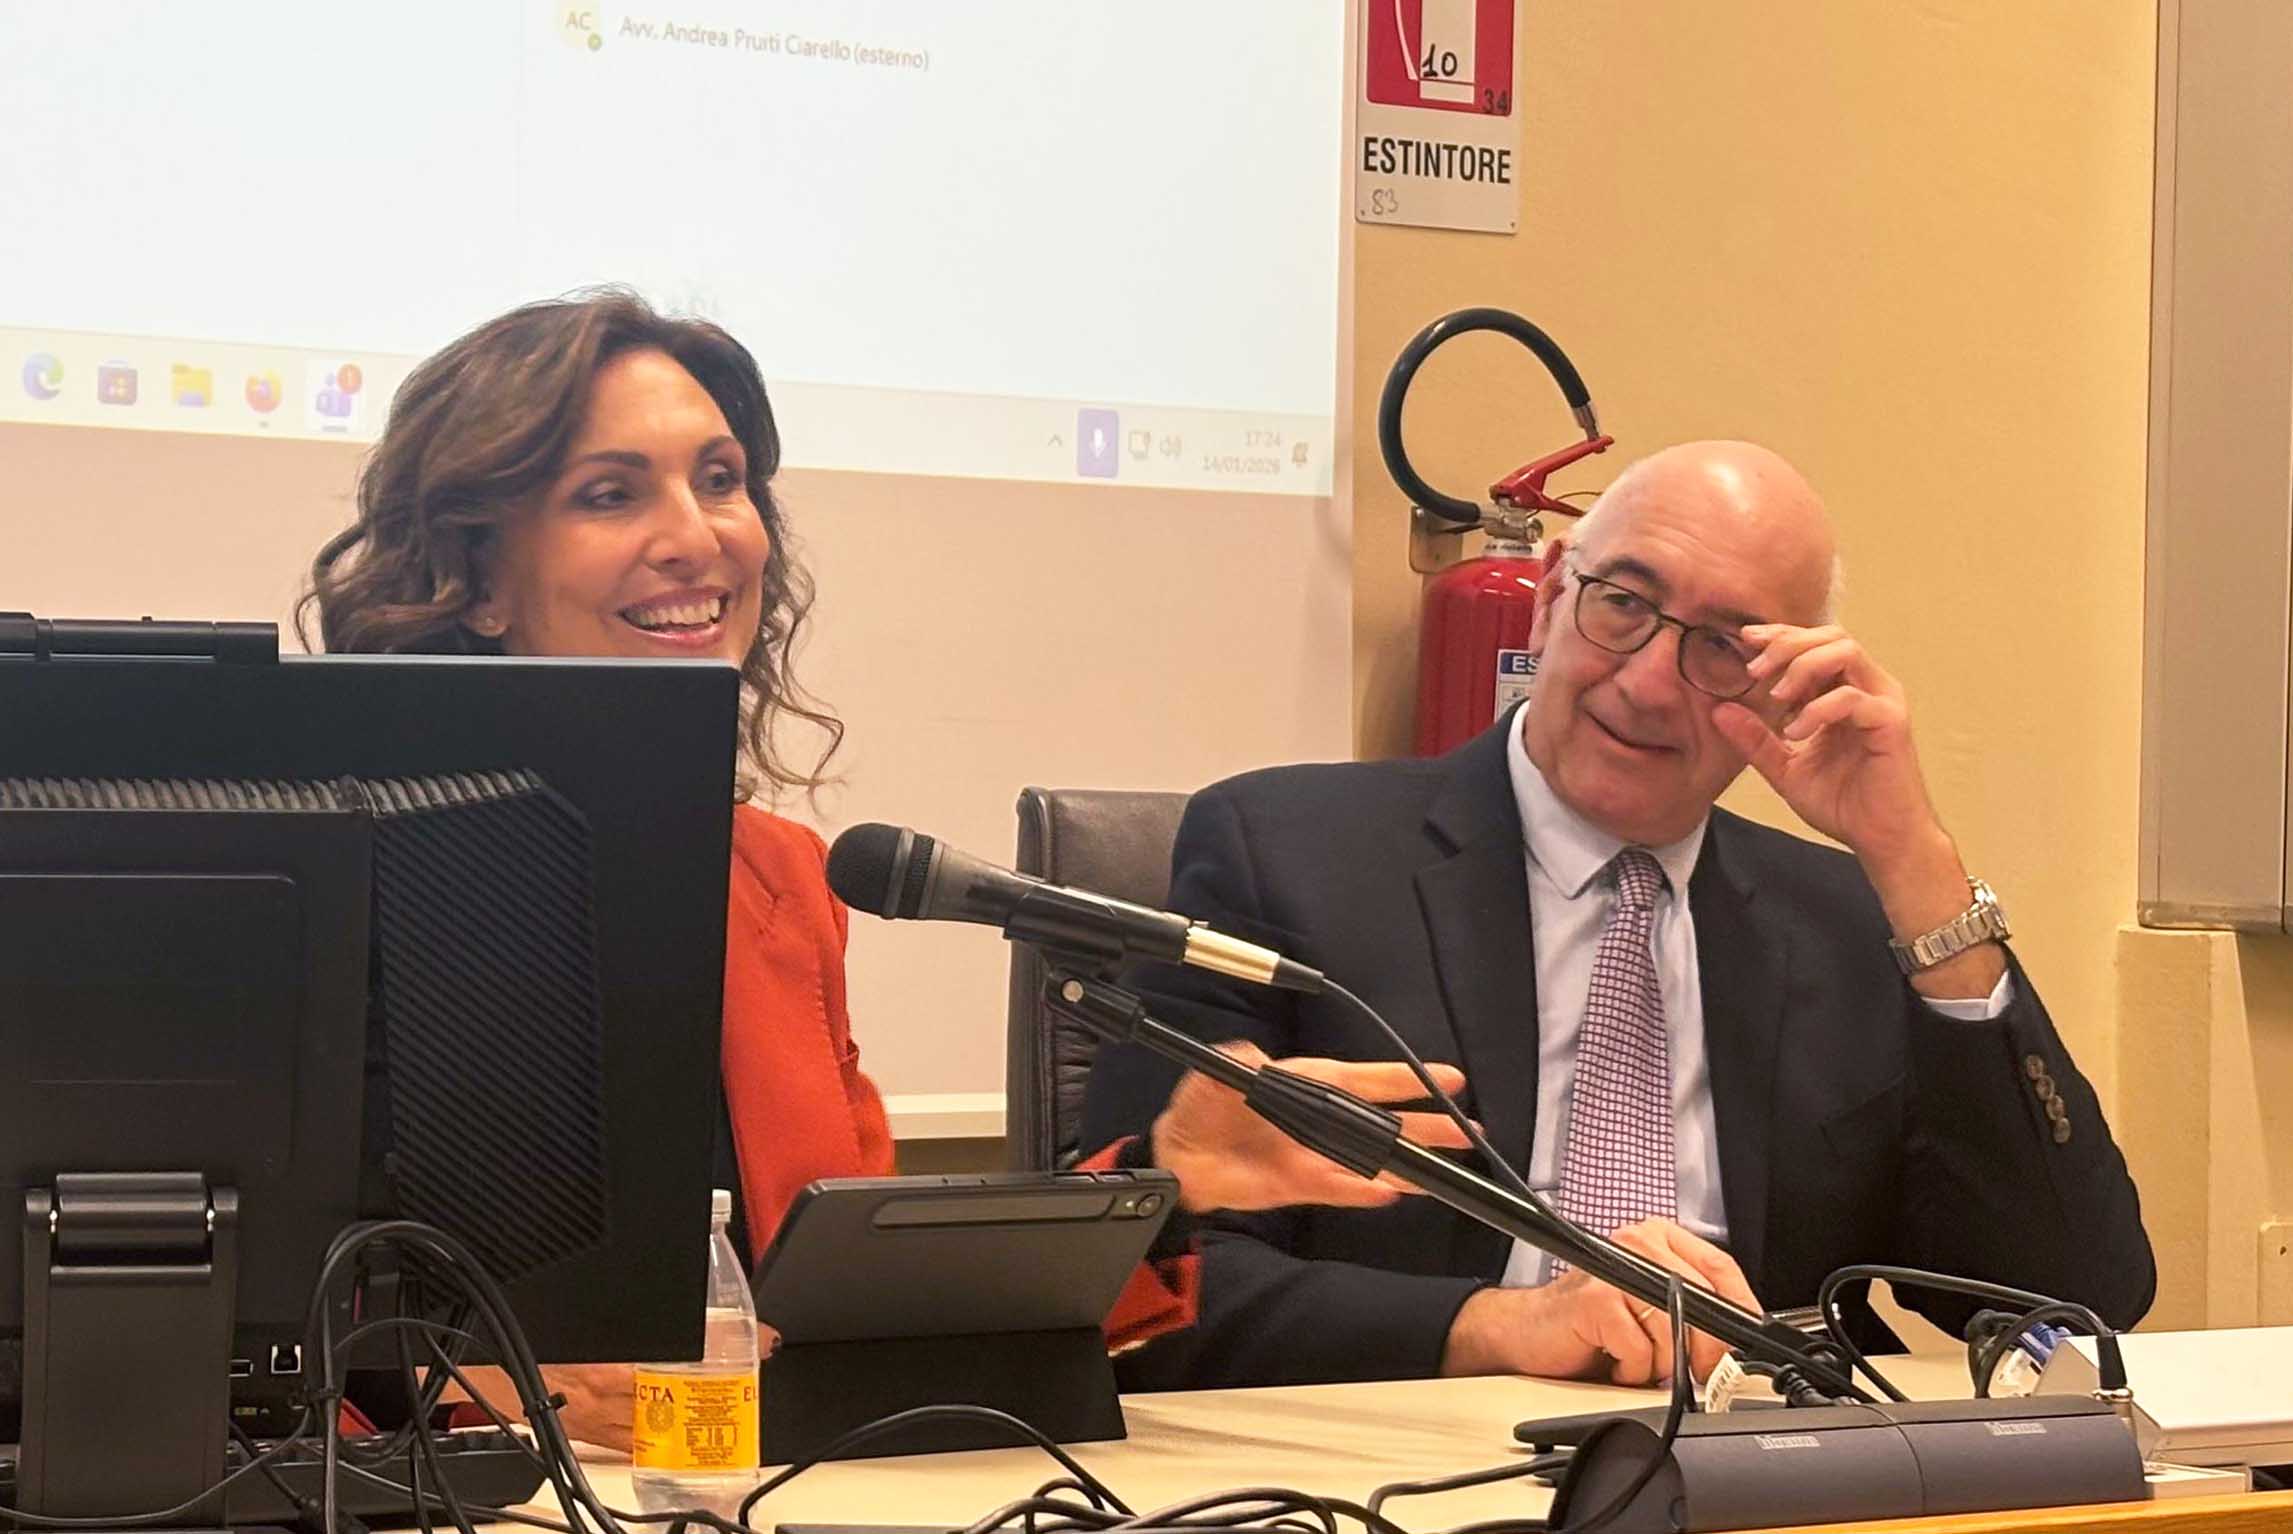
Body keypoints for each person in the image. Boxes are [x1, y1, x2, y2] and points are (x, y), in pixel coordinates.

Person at [302, 288, 1471, 1446]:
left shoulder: (778, 880)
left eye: (721, 479)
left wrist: (1166, 1182)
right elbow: (241, 1311)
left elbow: (855, 1311)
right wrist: (459, 1389)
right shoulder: (326, 875)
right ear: (478, 578)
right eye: (610, 493)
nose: (700, 536)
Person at [1078, 440, 2156, 1391]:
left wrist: (1915, 862)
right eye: (1623, 605)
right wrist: (1502, 1327)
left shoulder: (1845, 921)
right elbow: (1135, 1281)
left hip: (1760, 1473)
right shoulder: (1284, 856)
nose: (1647, 684)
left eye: (1724, 645)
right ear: (1551, 596)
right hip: (1415, 1465)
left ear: (1788, 686)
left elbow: (2076, 1296)